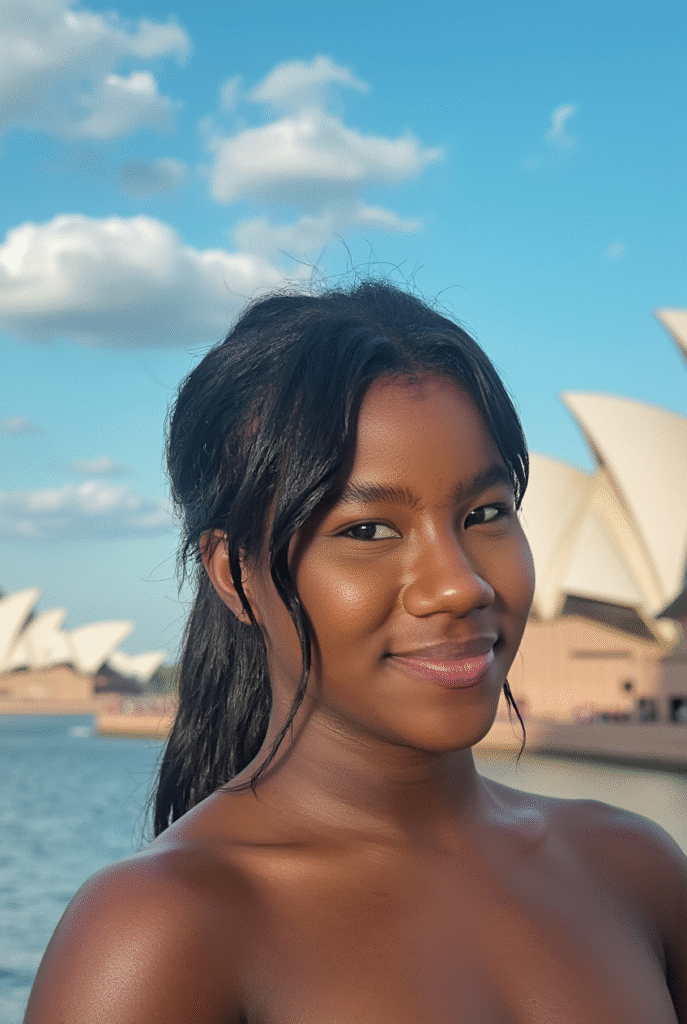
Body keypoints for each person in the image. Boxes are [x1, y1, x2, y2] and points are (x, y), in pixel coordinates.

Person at [25, 280, 687, 1023]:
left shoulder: (633, 869)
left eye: (485, 513)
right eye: (368, 530)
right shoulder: (160, 932)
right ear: (235, 575)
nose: (457, 586)